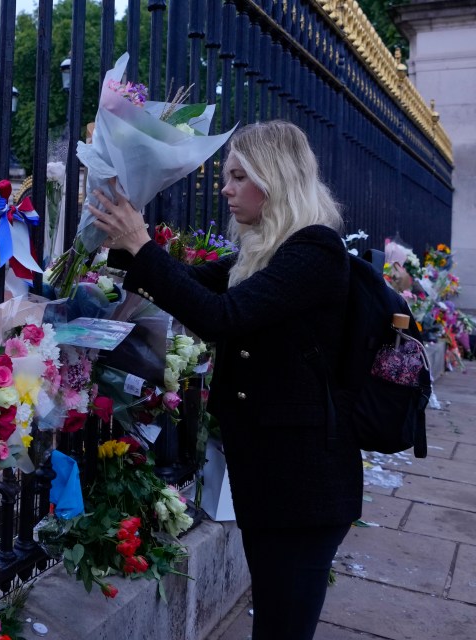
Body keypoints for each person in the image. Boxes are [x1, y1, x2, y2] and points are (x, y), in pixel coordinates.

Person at [89, 120, 363, 640]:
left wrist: (143, 245)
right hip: (272, 478)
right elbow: (190, 283)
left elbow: (222, 316)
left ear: (274, 178)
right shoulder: (267, 251)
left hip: (307, 488)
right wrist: (126, 238)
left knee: (283, 628)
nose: (225, 188)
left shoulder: (314, 252)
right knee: (277, 619)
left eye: (238, 176)